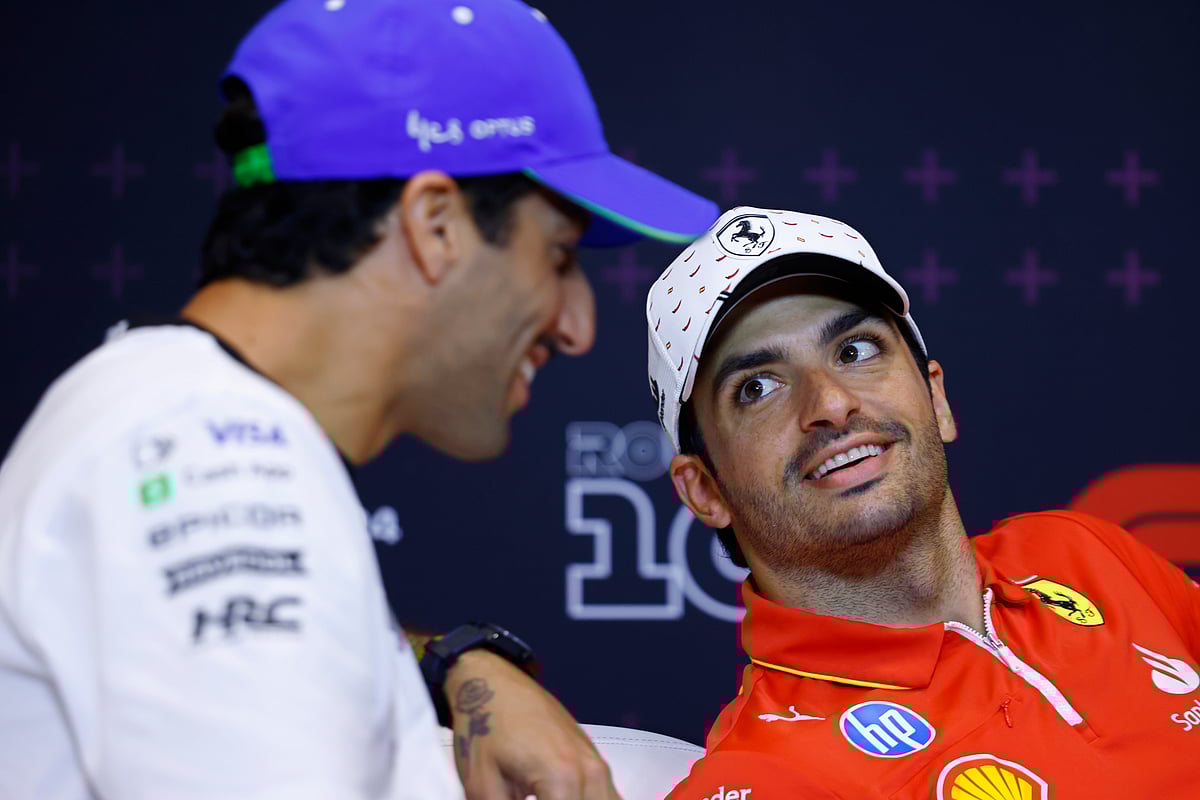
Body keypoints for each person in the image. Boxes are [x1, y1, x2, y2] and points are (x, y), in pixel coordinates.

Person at [0, 1, 718, 798]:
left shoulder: (191, 421)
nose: (579, 325)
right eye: (556, 257)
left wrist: (459, 664)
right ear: (435, 224)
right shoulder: (209, 451)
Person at [644, 206, 1200, 798]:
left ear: (936, 397)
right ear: (704, 490)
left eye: (856, 350)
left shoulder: (1084, 552)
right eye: (757, 388)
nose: (830, 403)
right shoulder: (764, 776)